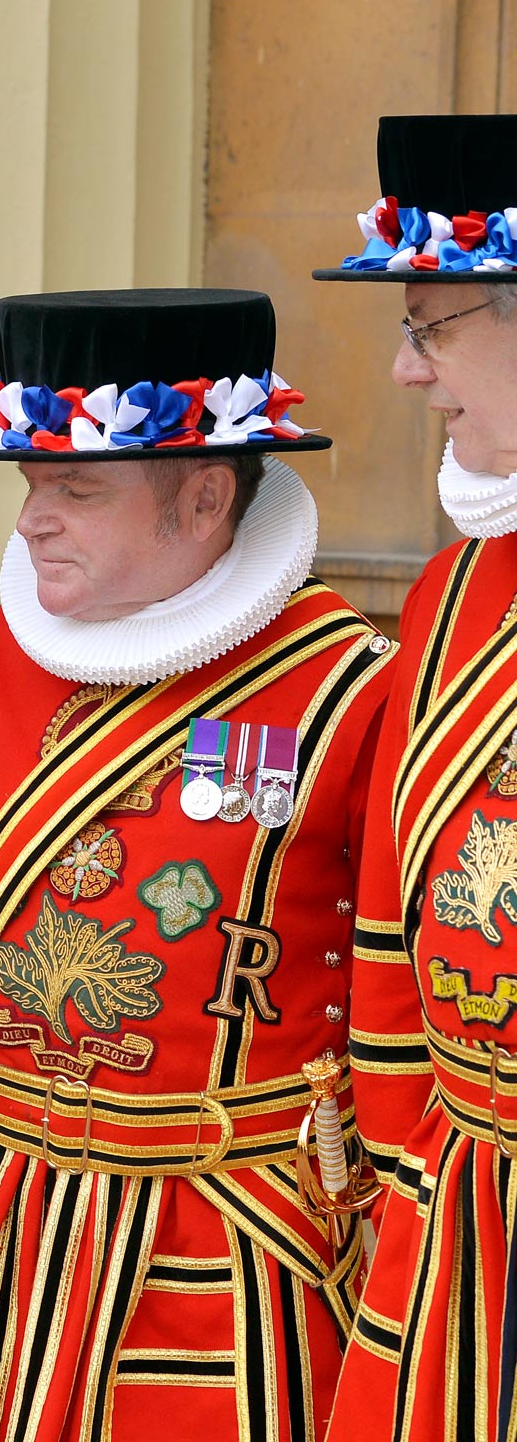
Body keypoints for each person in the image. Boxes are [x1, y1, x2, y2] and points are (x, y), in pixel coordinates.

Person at [0, 289, 394, 1441]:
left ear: (202, 497)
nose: (31, 521)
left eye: (76, 489)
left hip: (230, 1248)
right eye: (28, 486)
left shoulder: (353, 693)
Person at [319, 112, 517, 1442]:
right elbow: (391, 922)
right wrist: (403, 1176)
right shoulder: (450, 597)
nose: (403, 371)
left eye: (430, 323)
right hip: (468, 1222)